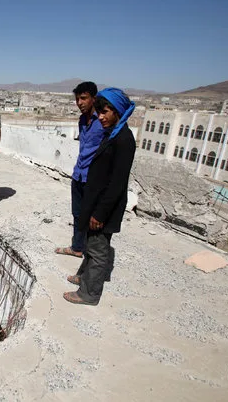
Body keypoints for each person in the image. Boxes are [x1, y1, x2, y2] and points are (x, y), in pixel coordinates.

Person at [63, 88, 136, 306]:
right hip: (95, 203)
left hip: (103, 208)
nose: (101, 117)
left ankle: (89, 293)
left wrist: (100, 212)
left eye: (105, 113)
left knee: (98, 251)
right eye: (100, 112)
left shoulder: (123, 140)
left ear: (118, 111)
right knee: (91, 244)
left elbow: (117, 182)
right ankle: (84, 278)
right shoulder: (112, 134)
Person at [55, 82, 105, 258]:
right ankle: (77, 247)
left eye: (83, 98)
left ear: (93, 98)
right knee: (77, 214)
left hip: (93, 178)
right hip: (78, 174)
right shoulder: (82, 120)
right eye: (77, 99)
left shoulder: (103, 121)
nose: (80, 103)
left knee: (93, 219)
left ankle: (92, 258)